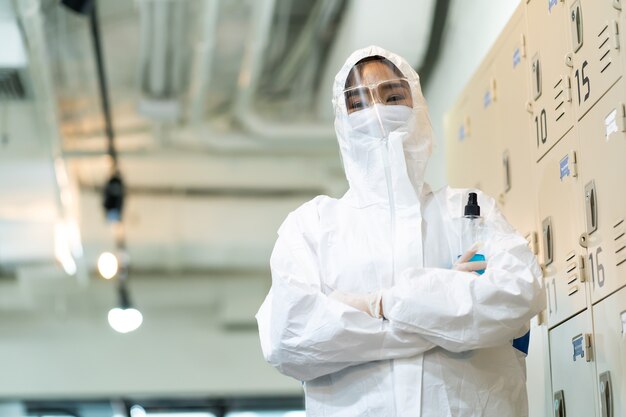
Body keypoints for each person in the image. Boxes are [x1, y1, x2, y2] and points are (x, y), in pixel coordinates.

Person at [256, 45, 545, 417]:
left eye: (392, 96)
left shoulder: (467, 211)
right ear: (342, 121)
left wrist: (376, 305)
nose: (377, 112)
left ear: (417, 107)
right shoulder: (312, 227)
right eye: (358, 103)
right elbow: (289, 341)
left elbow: (518, 295)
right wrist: (446, 307)